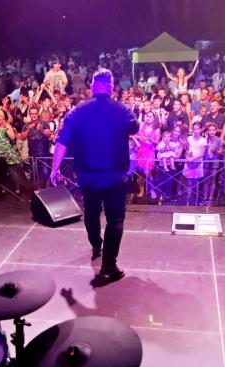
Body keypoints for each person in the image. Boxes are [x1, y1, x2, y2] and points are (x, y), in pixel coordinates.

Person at [50, 69, 139, 285]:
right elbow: (135, 128)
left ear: (92, 87)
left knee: (91, 213)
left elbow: (62, 142)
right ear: (111, 87)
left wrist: (54, 169)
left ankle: (96, 245)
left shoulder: (77, 112)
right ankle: (109, 266)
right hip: (115, 176)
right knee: (115, 220)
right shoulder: (122, 110)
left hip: (88, 176)